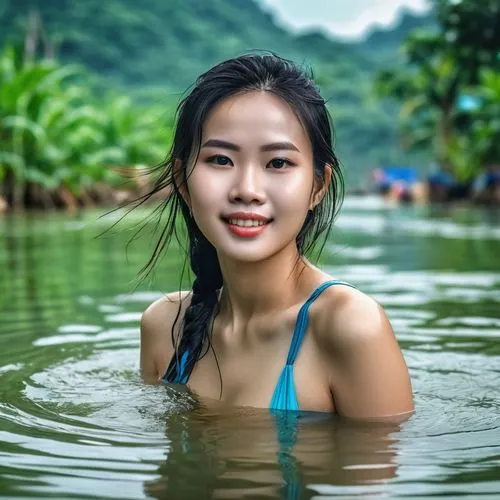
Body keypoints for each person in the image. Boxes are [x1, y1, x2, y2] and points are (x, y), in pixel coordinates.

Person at [139, 53, 414, 421]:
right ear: (183, 181)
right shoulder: (164, 327)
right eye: (221, 160)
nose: (247, 190)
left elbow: (379, 472)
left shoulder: (350, 327)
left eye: (278, 163)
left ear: (318, 185)